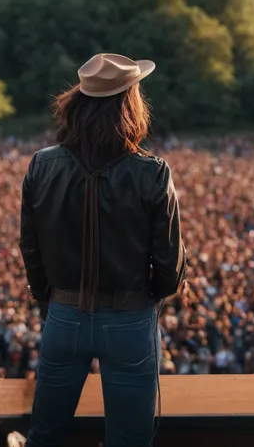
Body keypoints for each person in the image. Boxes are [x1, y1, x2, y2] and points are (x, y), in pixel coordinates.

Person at [18, 53, 187, 447]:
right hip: (129, 319)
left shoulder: (42, 165)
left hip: (63, 315)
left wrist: (52, 299)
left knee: (44, 436)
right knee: (130, 440)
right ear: (131, 104)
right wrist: (151, 294)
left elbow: (30, 247)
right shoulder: (152, 171)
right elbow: (168, 264)